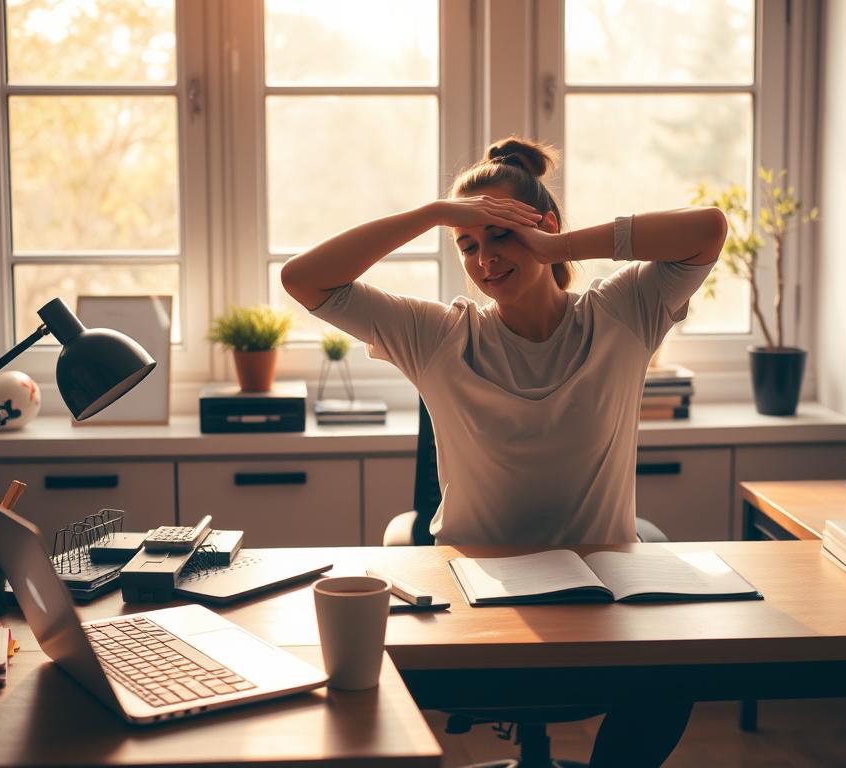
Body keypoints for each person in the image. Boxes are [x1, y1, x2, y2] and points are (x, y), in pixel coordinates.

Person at [282, 137, 725, 767]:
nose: (484, 259)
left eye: (501, 236)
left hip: (601, 600)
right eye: (468, 244)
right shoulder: (435, 334)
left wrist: (563, 246)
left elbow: (707, 230)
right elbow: (302, 279)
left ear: (544, 228)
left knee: (679, 672)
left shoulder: (624, 312)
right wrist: (433, 214)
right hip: (475, 607)